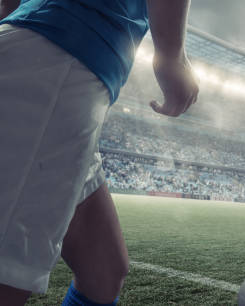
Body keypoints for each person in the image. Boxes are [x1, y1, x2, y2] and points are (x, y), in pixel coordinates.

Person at [0, 1, 199, 305]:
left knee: (104, 270)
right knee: (7, 278)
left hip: (46, 58)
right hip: (59, 63)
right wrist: (172, 57)